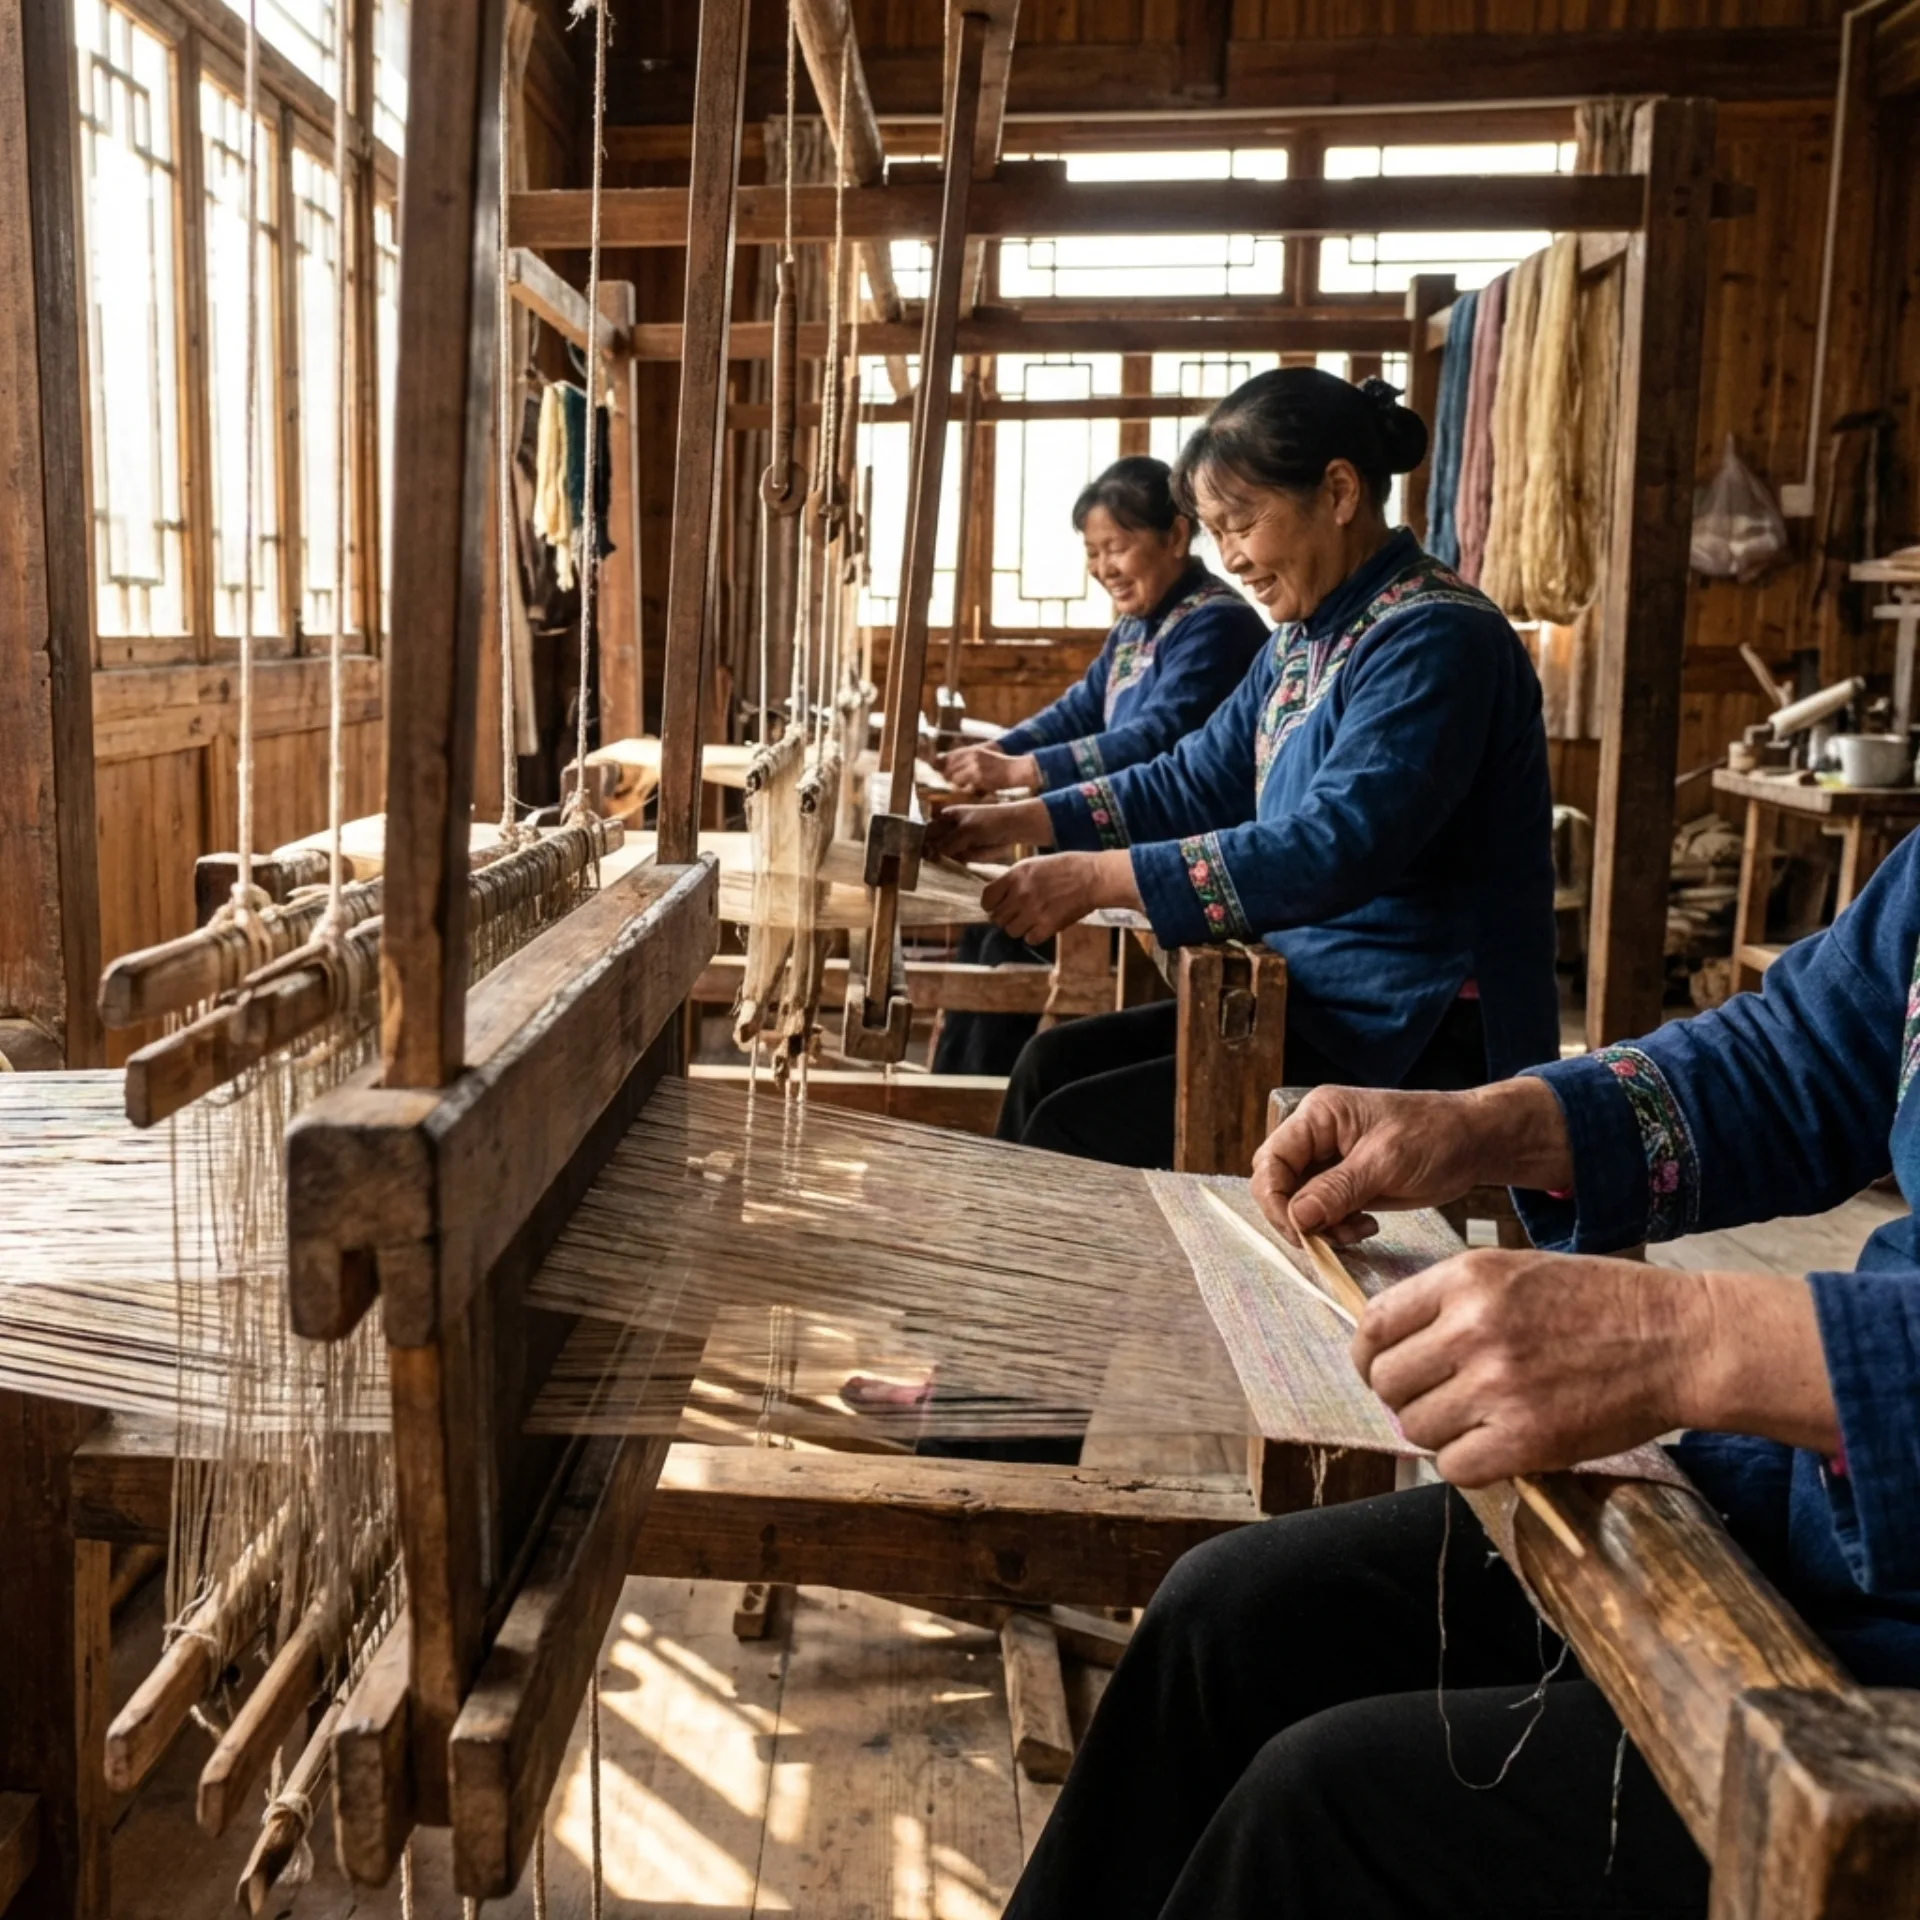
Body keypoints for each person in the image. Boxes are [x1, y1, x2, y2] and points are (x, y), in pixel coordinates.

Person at [1003, 833, 1920, 1919]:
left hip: (1887, 1654)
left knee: (1324, 1819)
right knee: (1229, 1622)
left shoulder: (1435, 657)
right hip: (1824, 1511)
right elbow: (1798, 1055)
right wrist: (1487, 1123)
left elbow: (1335, 835)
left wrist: (1687, 1339)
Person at [928, 369, 1560, 1166]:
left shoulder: (1436, 640)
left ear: (1338, 491)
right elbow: (1194, 777)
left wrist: (1093, 878)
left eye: (1242, 524)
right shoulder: (1303, 639)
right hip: (1322, 998)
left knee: (1078, 1124)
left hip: (1422, 1027)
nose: (1230, 558)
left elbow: (1334, 845)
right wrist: (1021, 818)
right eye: (1215, 531)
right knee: (1048, 1068)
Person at [931, 455, 1265, 1077]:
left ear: (1174, 536)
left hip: (1172, 852)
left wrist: (1019, 774)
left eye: (1116, 546)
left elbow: (1153, 740)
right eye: (1092, 551)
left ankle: (971, 1102)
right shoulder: (1140, 626)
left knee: (1011, 929)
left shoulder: (1217, 624)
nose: (1102, 567)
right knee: (991, 921)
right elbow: (1081, 709)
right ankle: (957, 1094)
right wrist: (1001, 754)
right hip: (1136, 829)